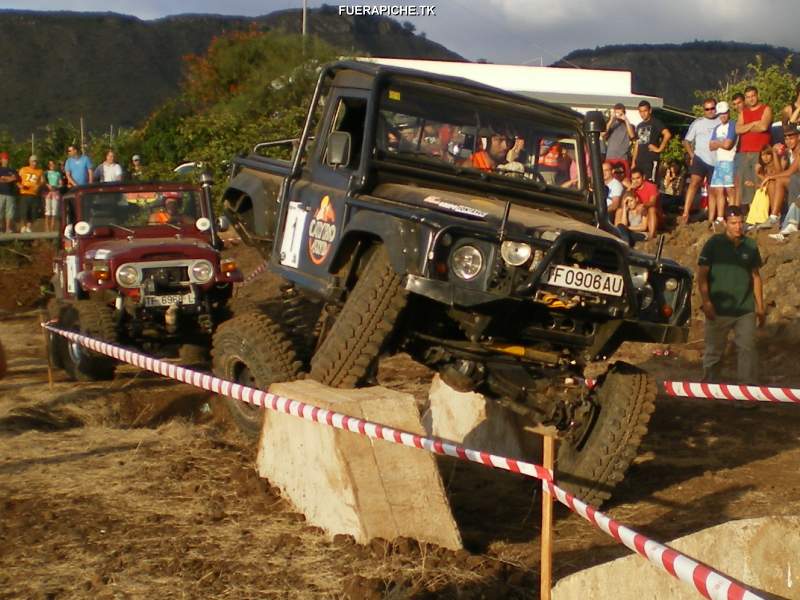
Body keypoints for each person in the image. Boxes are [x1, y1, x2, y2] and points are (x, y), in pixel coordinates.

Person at [697, 205, 764, 383]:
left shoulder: (750, 245)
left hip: (745, 309)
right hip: (718, 308)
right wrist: (707, 302)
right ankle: (710, 390)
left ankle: (747, 393)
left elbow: (755, 277)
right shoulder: (713, 244)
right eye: (733, 223)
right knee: (714, 351)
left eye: (741, 222)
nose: (738, 227)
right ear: (725, 223)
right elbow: (702, 275)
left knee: (747, 350)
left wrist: (760, 307)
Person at [679, 98, 720, 224]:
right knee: (694, 183)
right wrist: (692, 155)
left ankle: (711, 217)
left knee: (712, 189)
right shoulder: (698, 123)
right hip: (700, 158)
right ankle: (685, 213)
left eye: (712, 108)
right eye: (707, 109)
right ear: (704, 110)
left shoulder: (721, 121)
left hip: (716, 160)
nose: (710, 111)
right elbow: (686, 141)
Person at [735, 86, 773, 216]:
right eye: (748, 97)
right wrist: (752, 124)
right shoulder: (742, 112)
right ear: (745, 99)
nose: (751, 99)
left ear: (757, 95)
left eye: (753, 96)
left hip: (760, 152)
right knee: (746, 185)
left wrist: (746, 127)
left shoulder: (766, 109)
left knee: (760, 182)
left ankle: (762, 214)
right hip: (744, 152)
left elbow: (763, 126)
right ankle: (752, 214)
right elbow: (738, 129)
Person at [760, 125, 800, 228]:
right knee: (774, 182)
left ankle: (778, 217)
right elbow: (779, 171)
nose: (788, 141)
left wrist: (769, 177)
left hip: (797, 181)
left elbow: (790, 171)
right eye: (786, 139)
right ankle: (775, 216)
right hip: (795, 181)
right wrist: (774, 153)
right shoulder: (788, 152)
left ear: (798, 137)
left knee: (778, 180)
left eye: (791, 138)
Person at [632, 100, 671, 181]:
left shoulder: (656, 122)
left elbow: (667, 134)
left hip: (650, 160)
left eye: (645, 111)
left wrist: (659, 149)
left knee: (650, 184)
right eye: (641, 111)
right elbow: (637, 144)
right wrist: (633, 161)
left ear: (650, 110)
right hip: (639, 160)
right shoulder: (639, 126)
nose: (643, 114)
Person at [630, 168, 662, 240]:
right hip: (640, 215)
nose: (636, 181)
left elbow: (652, 202)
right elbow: (625, 201)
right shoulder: (633, 189)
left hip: (654, 215)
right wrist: (629, 190)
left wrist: (643, 205)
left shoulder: (651, 187)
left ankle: (651, 235)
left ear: (643, 177)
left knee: (651, 209)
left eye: (638, 178)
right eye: (633, 179)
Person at [604, 103, 635, 177]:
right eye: (616, 113)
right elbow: (603, 134)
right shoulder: (611, 125)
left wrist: (626, 120)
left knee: (624, 180)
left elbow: (632, 135)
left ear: (624, 113)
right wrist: (612, 119)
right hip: (610, 159)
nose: (618, 116)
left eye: (620, 113)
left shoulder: (628, 125)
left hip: (622, 159)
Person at [17, 155, 44, 233]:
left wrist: (38, 185)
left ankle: (28, 227)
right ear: (29, 162)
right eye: (33, 161)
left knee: (33, 212)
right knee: (23, 211)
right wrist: (19, 186)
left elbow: (42, 181)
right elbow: (17, 179)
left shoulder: (39, 171)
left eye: (35, 161)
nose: (34, 163)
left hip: (34, 194)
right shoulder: (24, 169)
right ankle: (23, 227)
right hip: (24, 193)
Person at [0, 151, 17, 233]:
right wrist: (9, 178)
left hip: (10, 194)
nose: (5, 160)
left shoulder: (12, 170)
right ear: (1, 160)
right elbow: (1, 179)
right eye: (4, 159)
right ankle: (1, 228)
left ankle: (7, 228)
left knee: (9, 212)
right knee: (0, 211)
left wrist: (5, 178)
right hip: (1, 193)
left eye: (6, 159)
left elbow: (15, 178)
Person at [44, 160, 63, 232]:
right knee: (48, 210)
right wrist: (48, 186)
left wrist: (56, 187)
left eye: (53, 164)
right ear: (48, 166)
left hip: (55, 192)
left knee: (54, 211)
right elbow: (44, 182)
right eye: (50, 165)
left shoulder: (58, 173)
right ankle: (47, 228)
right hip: (48, 193)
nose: (52, 166)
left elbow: (61, 183)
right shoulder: (46, 173)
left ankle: (52, 228)